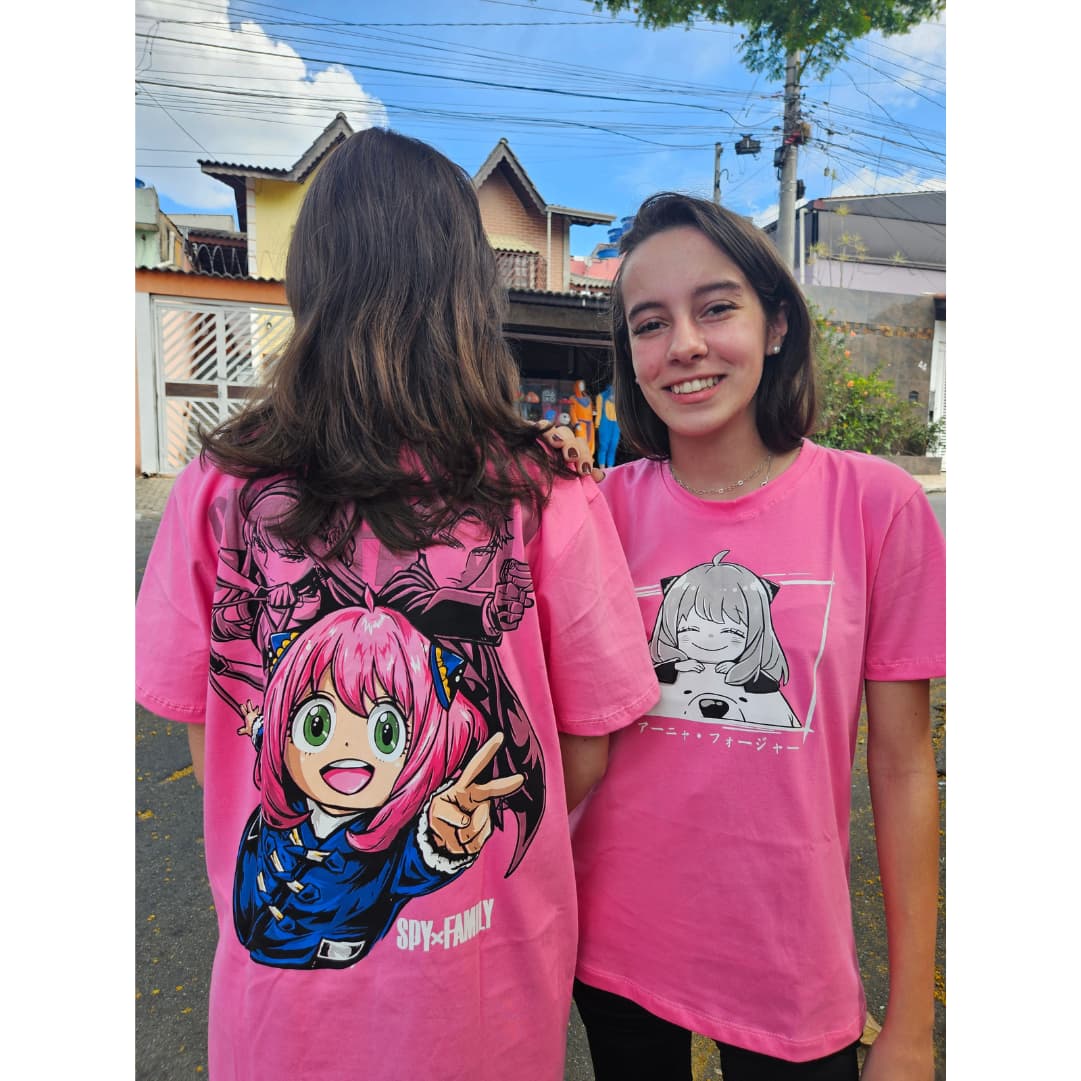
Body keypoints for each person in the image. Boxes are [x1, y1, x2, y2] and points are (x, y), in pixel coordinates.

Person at [134, 127, 659, 1081]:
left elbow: (212, 740)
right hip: (485, 1004)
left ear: (311, 282)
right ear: (469, 292)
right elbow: (583, 746)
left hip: (279, 1022)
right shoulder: (544, 490)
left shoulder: (219, 485)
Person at [568, 192, 945, 1081]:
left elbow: (900, 768)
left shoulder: (876, 504)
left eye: (715, 308)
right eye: (649, 323)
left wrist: (909, 1022)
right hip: (613, 944)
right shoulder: (591, 512)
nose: (683, 345)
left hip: (788, 955)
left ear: (775, 324)